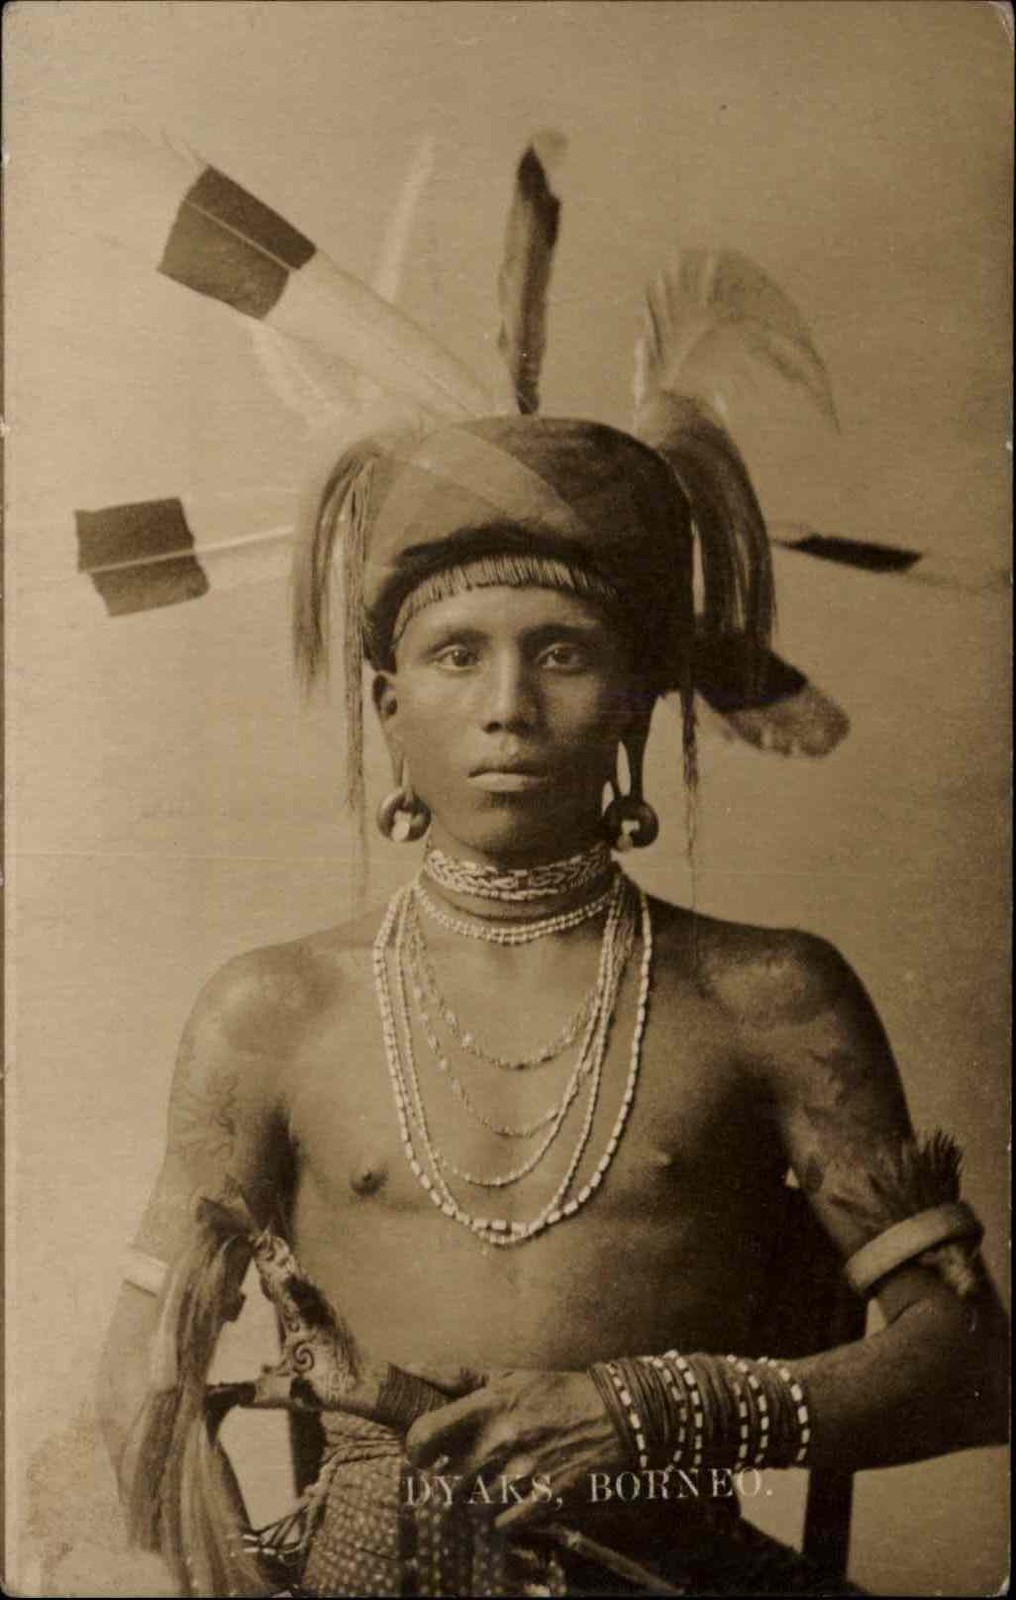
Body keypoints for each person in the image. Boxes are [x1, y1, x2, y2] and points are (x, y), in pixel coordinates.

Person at [97, 413, 1006, 1598]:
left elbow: (968, 1363)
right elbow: (138, 1379)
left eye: (564, 653)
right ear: (388, 703)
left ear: (634, 698)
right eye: (456, 654)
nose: (508, 704)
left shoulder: (768, 994)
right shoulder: (272, 1010)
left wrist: (655, 1413)